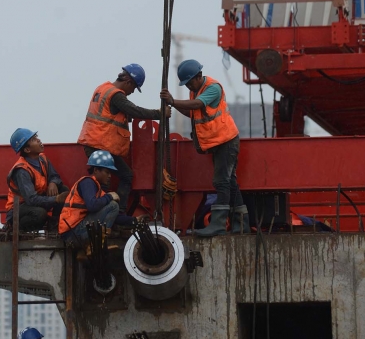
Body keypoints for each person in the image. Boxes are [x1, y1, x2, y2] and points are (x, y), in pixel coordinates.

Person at [161, 59, 250, 236]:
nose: (188, 87)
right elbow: (192, 112)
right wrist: (173, 104)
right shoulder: (196, 91)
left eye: (189, 83)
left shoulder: (212, 88)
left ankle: (217, 224)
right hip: (218, 142)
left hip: (226, 141)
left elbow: (198, 105)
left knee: (221, 181)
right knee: (230, 182)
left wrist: (172, 100)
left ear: (198, 76)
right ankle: (241, 225)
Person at [78, 64, 170, 212]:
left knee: (106, 179)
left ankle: (109, 211)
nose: (132, 92)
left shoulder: (103, 88)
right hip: (100, 143)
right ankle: (116, 213)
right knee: (123, 176)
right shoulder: (116, 95)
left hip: (95, 142)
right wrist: (160, 114)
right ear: (128, 82)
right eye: (133, 88)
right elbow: (134, 110)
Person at [5, 128, 68, 231]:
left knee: (63, 189)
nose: (38, 140)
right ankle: (16, 230)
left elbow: (55, 176)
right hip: (19, 209)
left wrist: (53, 183)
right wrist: (56, 199)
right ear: (27, 150)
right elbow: (31, 200)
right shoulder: (22, 170)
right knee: (39, 214)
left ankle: (54, 226)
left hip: (36, 201)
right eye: (33, 139)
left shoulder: (43, 159)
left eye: (36, 137)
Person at [59, 150, 121, 246]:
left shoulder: (96, 188)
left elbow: (110, 214)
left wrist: (134, 220)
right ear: (96, 170)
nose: (109, 176)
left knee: (112, 206)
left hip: (75, 231)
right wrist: (109, 196)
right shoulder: (87, 182)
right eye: (107, 172)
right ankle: (95, 245)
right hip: (72, 233)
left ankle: (88, 249)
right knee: (113, 205)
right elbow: (92, 206)